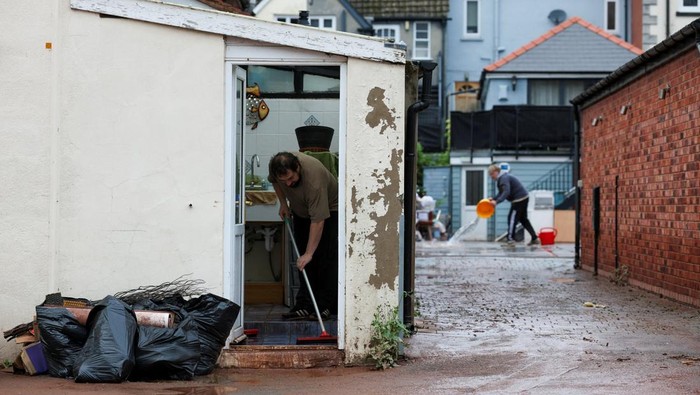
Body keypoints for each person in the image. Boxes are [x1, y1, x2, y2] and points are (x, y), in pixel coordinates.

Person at [268, 152, 338, 320]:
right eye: (284, 181)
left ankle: (325, 305)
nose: (288, 184)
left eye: (291, 178)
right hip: (300, 211)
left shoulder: (314, 180)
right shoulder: (277, 169)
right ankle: (305, 304)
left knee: (323, 258)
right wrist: (283, 203)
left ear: (297, 168)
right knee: (302, 260)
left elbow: (318, 221)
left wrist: (309, 253)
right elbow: (275, 182)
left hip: (328, 210)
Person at [487, 164, 539, 246]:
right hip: (524, 197)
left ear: (496, 172)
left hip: (519, 199)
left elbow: (506, 192)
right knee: (523, 219)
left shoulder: (503, 178)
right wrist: (494, 199)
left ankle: (510, 240)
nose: (491, 176)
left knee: (511, 219)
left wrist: (497, 202)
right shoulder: (503, 177)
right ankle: (534, 238)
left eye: (491, 174)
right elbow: (501, 192)